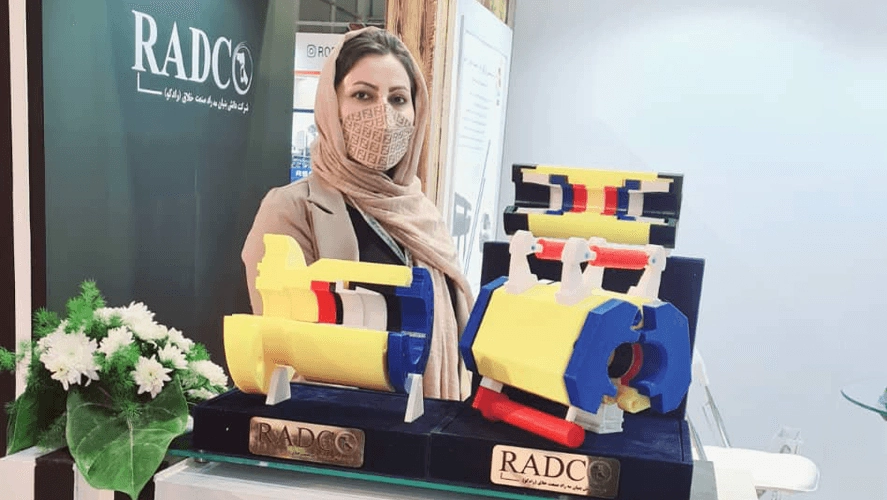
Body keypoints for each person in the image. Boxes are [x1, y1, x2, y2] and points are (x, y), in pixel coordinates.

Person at [242, 27, 474, 401]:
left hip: (433, 421)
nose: (383, 114)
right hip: (343, 424)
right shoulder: (292, 209)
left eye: (398, 99)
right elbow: (282, 353)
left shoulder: (422, 213)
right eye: (363, 95)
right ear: (331, 104)